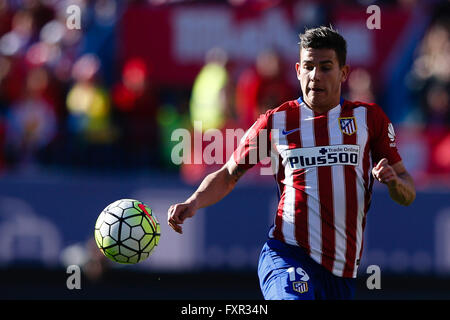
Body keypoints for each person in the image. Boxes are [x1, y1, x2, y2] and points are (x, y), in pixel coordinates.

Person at [167, 26, 416, 300]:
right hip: (288, 255)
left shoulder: (369, 119)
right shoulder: (276, 122)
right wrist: (193, 202)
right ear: (298, 70)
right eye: (308, 67)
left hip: (341, 274)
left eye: (325, 67)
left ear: (344, 73)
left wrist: (394, 183)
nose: (315, 76)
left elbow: (408, 191)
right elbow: (228, 174)